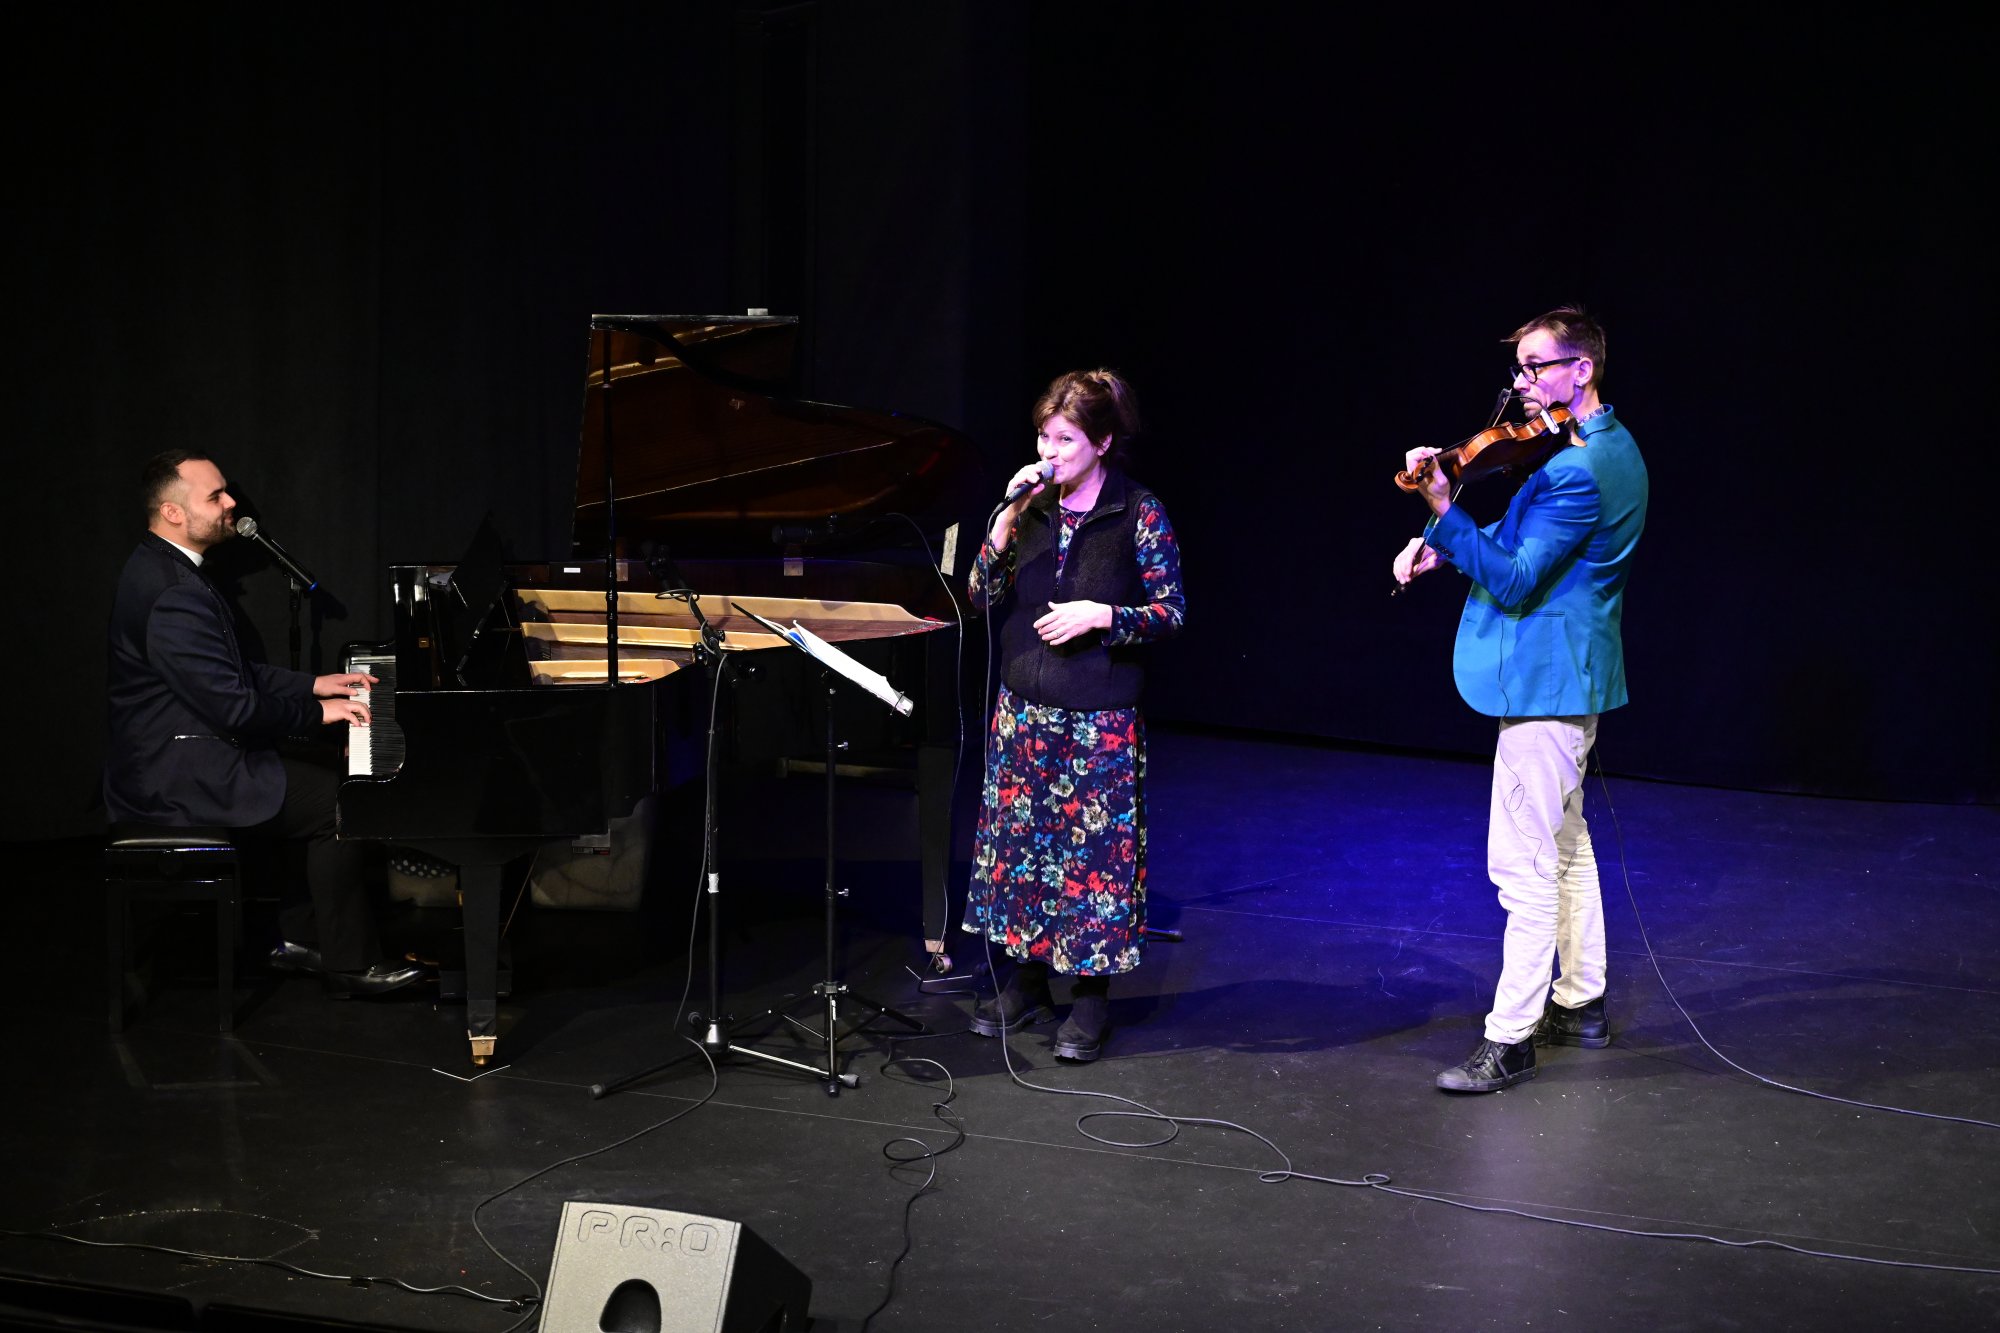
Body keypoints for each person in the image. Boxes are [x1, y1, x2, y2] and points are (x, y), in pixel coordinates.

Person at [1394, 307, 1648, 1093]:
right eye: (1521, 367)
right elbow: (1525, 525)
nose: (1523, 381)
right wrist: (1441, 546)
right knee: (1565, 842)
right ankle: (1582, 999)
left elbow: (1513, 577)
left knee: (1524, 863)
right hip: (1570, 673)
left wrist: (1444, 510)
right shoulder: (1608, 445)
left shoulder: (1579, 468)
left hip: (1546, 679)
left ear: (1583, 369)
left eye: (1538, 366)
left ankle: (1509, 1038)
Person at [105, 449, 423, 998]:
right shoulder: (174, 592)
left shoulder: (166, 567)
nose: (232, 503)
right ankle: (349, 965)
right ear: (173, 512)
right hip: (174, 772)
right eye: (215, 496)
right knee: (343, 801)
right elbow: (233, 706)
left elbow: (228, 672)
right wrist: (316, 713)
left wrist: (312, 684)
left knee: (325, 765)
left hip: (178, 747)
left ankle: (299, 938)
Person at [960, 369, 1185, 1062]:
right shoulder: (1031, 508)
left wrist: (1103, 615)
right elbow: (979, 592)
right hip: (1024, 710)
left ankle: (1090, 999)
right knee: (1023, 854)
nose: (1049, 452)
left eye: (1065, 439)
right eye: (1043, 436)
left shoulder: (1137, 511)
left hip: (1097, 719)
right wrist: (1004, 521)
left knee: (1091, 865)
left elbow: (1172, 613)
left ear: (1102, 442)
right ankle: (1027, 981)